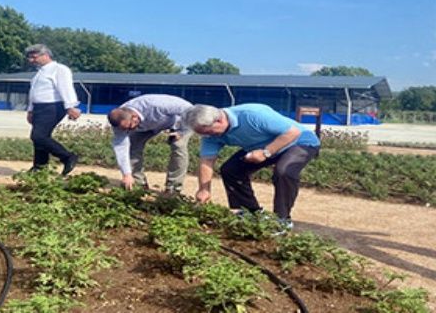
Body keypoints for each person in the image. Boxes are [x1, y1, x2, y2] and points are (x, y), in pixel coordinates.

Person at [182, 103, 320, 229]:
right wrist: (204, 189)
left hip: (300, 141)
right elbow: (207, 159)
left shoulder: (252, 114)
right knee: (231, 170)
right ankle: (251, 213)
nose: (207, 136)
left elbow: (293, 132)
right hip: (262, 146)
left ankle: (281, 220)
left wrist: (266, 152)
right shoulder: (210, 135)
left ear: (219, 120)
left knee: (284, 171)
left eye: (208, 132)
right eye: (203, 134)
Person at [108, 94, 193, 192]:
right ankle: (138, 183)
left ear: (134, 117)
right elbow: (121, 148)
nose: (128, 130)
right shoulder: (119, 124)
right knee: (132, 146)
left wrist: (182, 131)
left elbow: (190, 110)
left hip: (176, 122)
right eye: (125, 129)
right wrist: (126, 174)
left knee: (178, 146)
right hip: (147, 126)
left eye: (130, 127)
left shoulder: (156, 104)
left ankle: (173, 188)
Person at [25, 44, 81, 175]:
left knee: (38, 136)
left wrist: (70, 106)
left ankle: (67, 157)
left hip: (53, 106)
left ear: (45, 55)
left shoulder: (59, 69)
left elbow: (65, 88)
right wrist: (30, 109)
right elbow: (33, 92)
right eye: (30, 58)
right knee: (41, 137)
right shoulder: (39, 73)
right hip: (39, 107)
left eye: (34, 57)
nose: (31, 60)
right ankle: (40, 166)